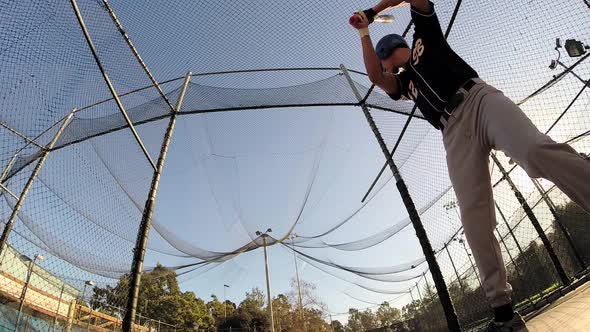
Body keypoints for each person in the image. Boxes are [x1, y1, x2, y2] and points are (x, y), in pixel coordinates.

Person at [349, 1, 590, 331]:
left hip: (479, 101)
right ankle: (504, 314)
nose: (384, 67)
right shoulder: (405, 85)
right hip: (452, 132)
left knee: (534, 152)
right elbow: (377, 78)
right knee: (474, 218)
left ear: (392, 53)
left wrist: (374, 12)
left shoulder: (424, 40)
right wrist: (363, 30)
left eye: (384, 60)